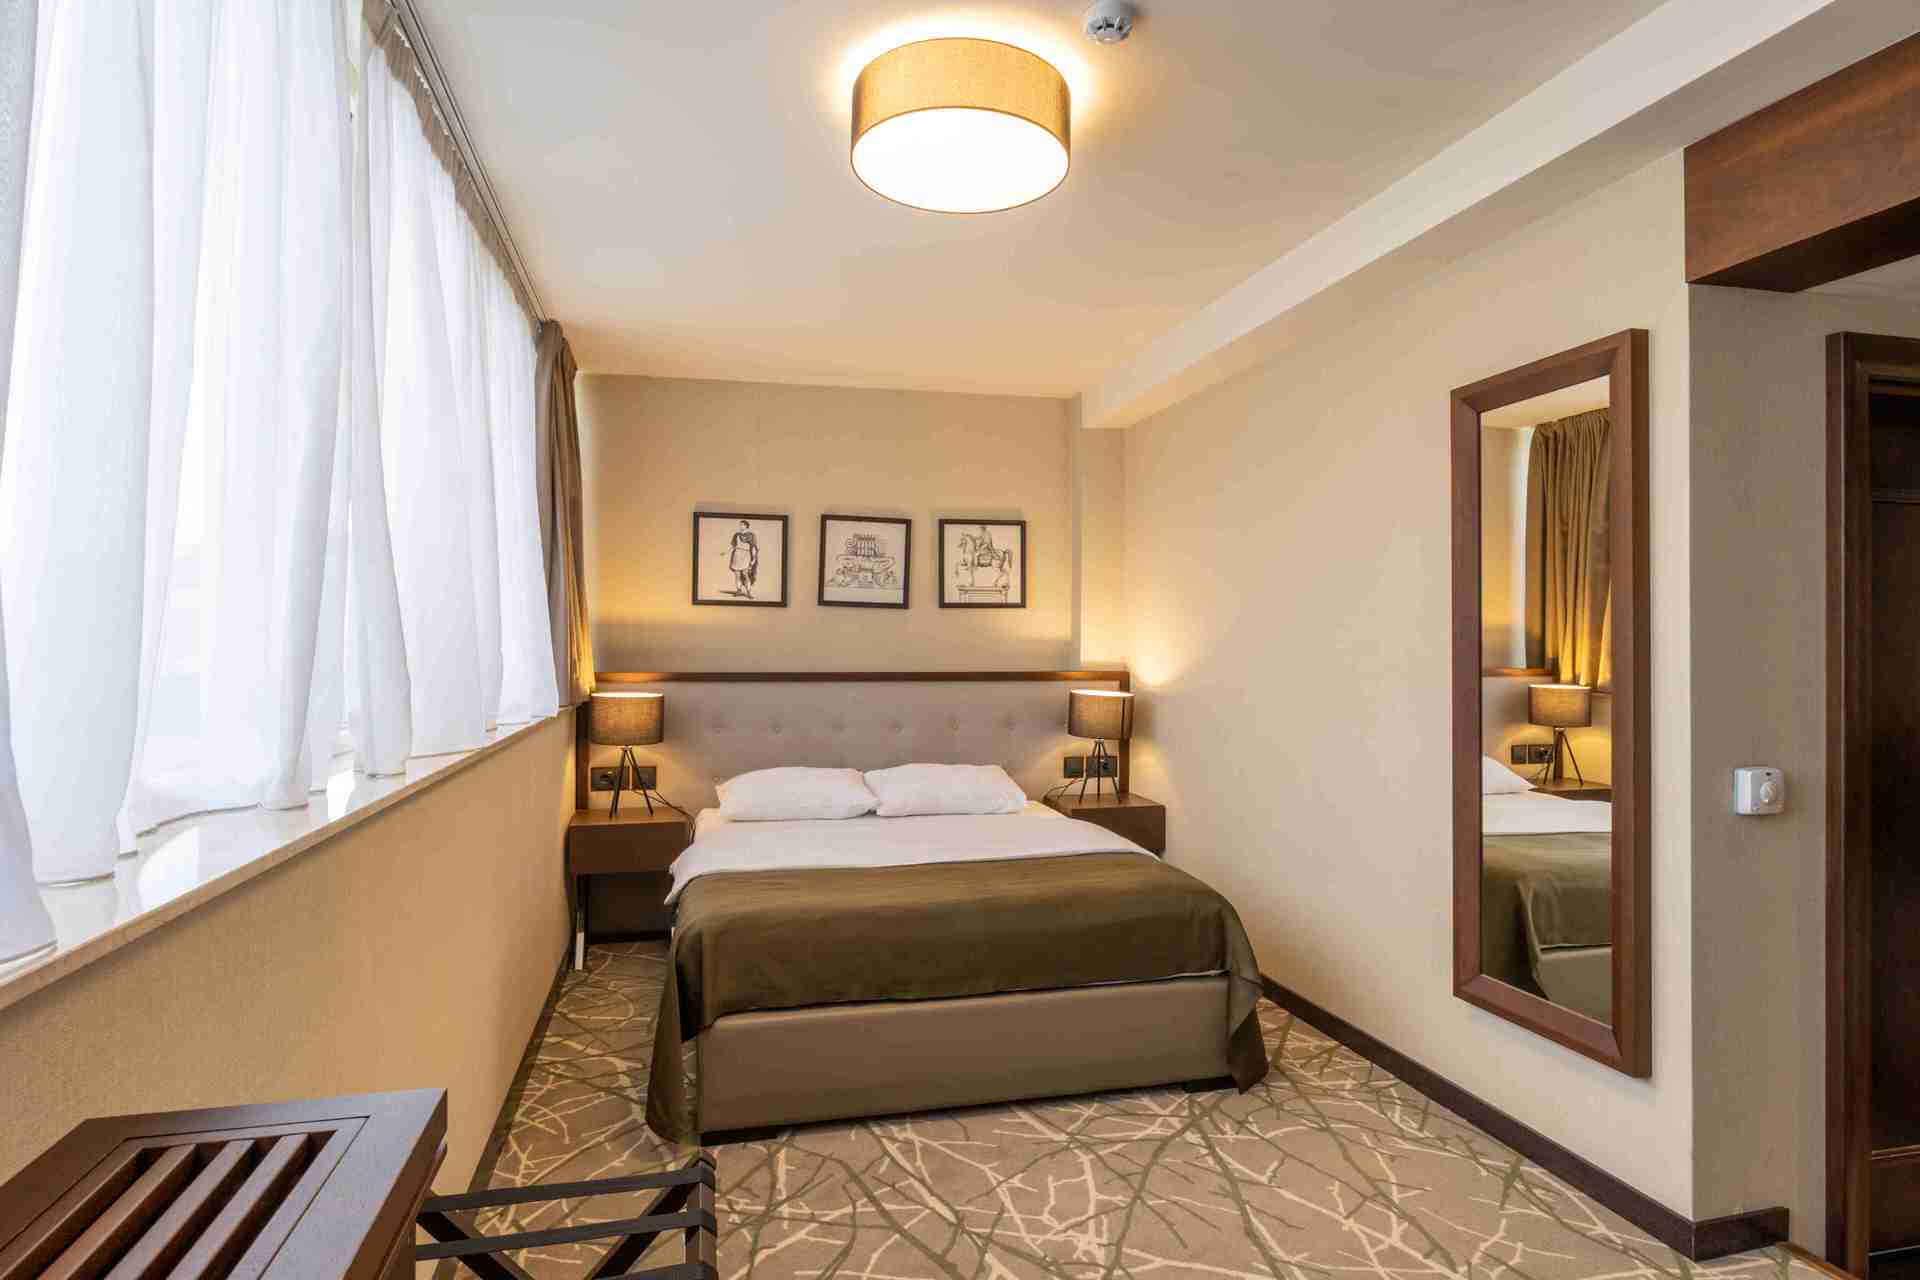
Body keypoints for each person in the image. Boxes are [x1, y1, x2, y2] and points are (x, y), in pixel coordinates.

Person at [727, 520, 759, 599]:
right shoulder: (736, 535)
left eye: (742, 525)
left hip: (746, 555)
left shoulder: (751, 535)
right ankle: (739, 590)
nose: (741, 526)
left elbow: (753, 547)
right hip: (737, 554)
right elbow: (733, 546)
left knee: (745, 574)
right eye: (740, 525)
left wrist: (753, 559)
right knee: (737, 574)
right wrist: (726, 552)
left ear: (746, 526)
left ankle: (748, 592)